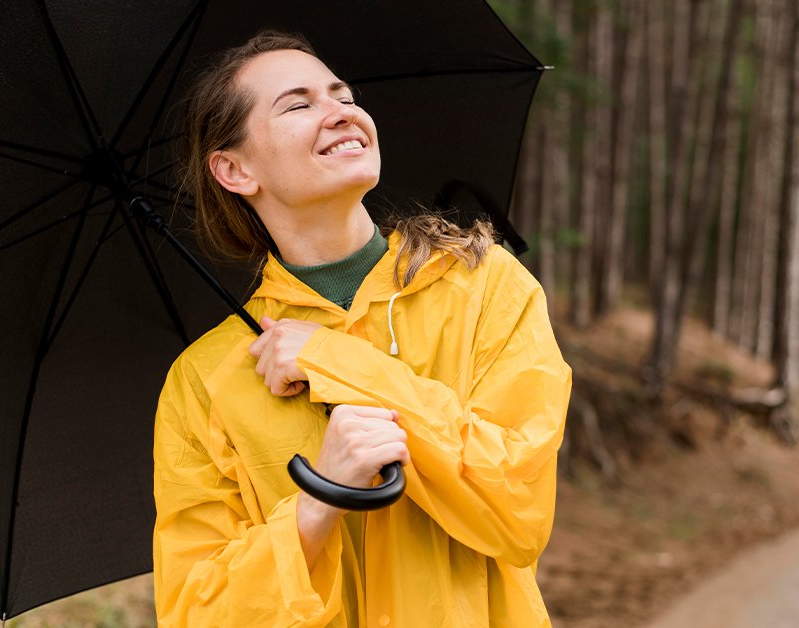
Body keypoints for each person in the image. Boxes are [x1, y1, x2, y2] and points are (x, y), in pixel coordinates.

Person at [152, 31, 571, 627]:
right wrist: (319, 499)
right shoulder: (205, 379)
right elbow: (196, 613)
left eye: (343, 94)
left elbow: (518, 509)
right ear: (234, 169)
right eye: (299, 104)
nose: (340, 112)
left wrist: (336, 362)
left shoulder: (483, 286)